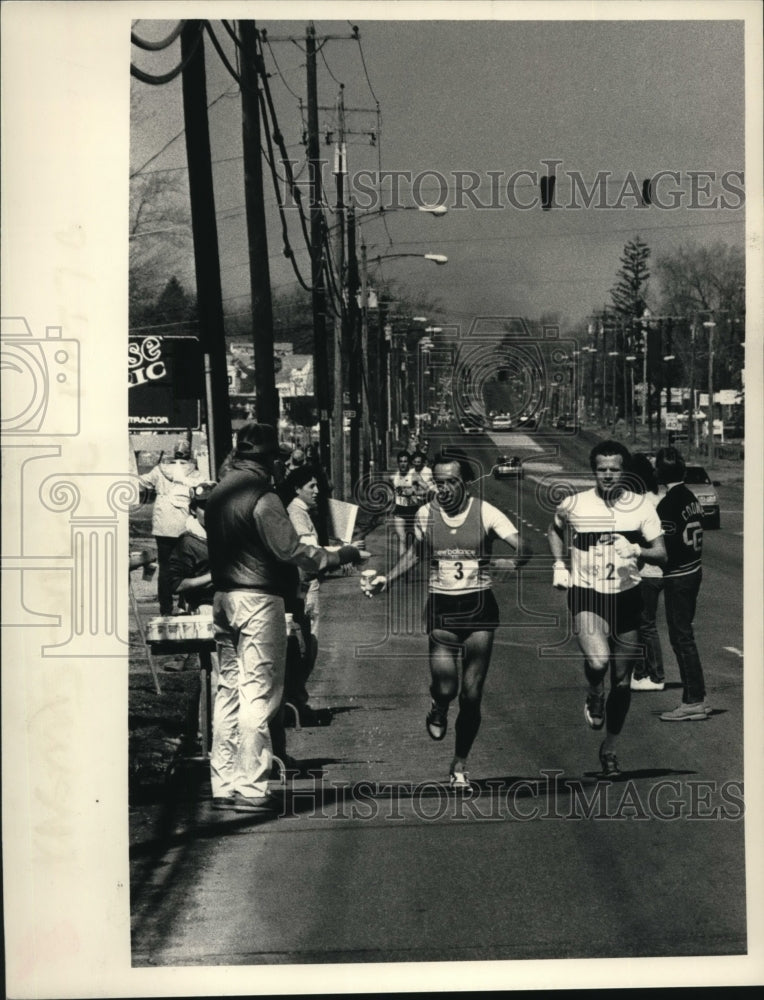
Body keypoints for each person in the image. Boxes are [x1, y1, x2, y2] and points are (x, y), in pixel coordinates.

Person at [204, 422, 368, 813]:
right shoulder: (262, 497)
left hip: (223, 596)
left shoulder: (217, 494)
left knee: (226, 691)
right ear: (266, 462)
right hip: (258, 599)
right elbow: (292, 550)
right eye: (276, 461)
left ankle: (223, 781)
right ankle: (253, 786)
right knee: (258, 692)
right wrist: (339, 555)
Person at [366, 449, 531, 792]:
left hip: (479, 609)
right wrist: (387, 578)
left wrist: (511, 563)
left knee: (472, 695)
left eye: (451, 482)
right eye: (438, 482)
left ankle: (460, 764)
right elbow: (416, 552)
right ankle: (438, 706)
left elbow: (523, 546)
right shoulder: (426, 514)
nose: (443, 489)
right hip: (443, 608)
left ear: (466, 484)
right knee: (446, 686)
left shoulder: (485, 513)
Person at [547, 440, 666, 777]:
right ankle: (594, 692)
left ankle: (610, 748)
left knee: (624, 682)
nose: (609, 475)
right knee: (598, 661)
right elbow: (554, 530)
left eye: (615, 469)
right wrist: (559, 564)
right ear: (594, 471)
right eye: (602, 470)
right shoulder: (574, 504)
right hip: (587, 593)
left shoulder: (641, 507)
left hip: (627, 595)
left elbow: (662, 554)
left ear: (624, 471)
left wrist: (638, 550)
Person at [655, 447, 710, 721]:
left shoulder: (667, 504)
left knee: (680, 637)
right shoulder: (690, 497)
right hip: (694, 568)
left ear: (659, 473)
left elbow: (664, 547)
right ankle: (697, 693)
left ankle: (692, 700)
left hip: (678, 575)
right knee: (685, 634)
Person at [166, 481, 218, 744]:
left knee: (224, 675)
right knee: (213, 676)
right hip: (204, 610)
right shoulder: (188, 541)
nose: (209, 512)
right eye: (203, 507)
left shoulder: (225, 534)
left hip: (228, 605)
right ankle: (206, 733)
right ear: (193, 510)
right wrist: (211, 577)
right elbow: (176, 584)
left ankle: (215, 732)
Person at [138, 439, 202, 615]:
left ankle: (165, 609)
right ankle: (184, 605)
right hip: (184, 526)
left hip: (162, 526)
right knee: (186, 567)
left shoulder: (160, 470)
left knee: (165, 568)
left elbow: (142, 482)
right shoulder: (194, 473)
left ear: (174, 453)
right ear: (189, 454)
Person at [284, 465, 327, 726]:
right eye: (311, 486)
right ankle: (296, 699)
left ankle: (298, 698)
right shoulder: (296, 513)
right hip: (304, 585)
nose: (317, 491)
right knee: (305, 644)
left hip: (310, 582)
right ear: (298, 489)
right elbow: (308, 551)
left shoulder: (304, 512)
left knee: (309, 644)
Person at [629, 454, 667, 692]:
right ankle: (641, 672)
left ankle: (655, 675)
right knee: (641, 623)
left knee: (646, 625)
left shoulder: (641, 503)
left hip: (648, 570)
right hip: (657, 570)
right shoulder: (660, 497)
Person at [390, 450, 419, 556]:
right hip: (400, 510)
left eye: (405, 461)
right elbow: (392, 495)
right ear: (398, 463)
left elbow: (426, 489)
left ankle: (411, 562)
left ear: (409, 463)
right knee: (402, 539)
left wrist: (414, 491)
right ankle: (402, 567)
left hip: (413, 510)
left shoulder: (414, 475)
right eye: (401, 461)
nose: (403, 463)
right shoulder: (393, 478)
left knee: (416, 540)